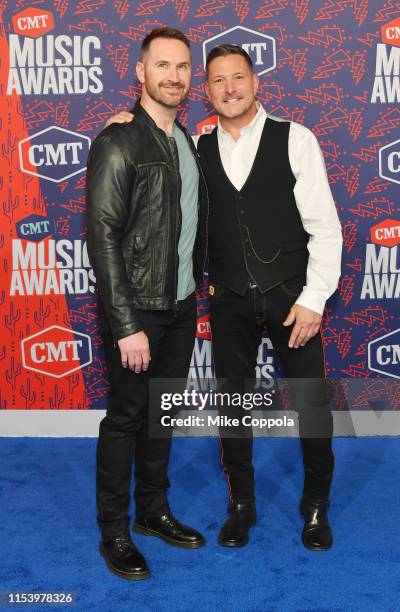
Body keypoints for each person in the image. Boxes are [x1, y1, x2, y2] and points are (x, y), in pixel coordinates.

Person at [104, 44, 343, 552]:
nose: (229, 88)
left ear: (256, 83)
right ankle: (242, 507)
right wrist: (123, 124)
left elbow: (326, 227)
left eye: (238, 78)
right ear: (205, 90)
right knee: (233, 411)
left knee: (312, 408)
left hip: (292, 300)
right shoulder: (196, 146)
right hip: (228, 301)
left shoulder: (296, 139)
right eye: (217, 80)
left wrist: (315, 297)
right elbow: (150, 146)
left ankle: (316, 506)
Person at [86, 27, 208, 581]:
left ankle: (153, 511)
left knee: (162, 416)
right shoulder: (119, 140)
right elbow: (103, 235)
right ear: (140, 73)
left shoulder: (184, 139)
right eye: (162, 66)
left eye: (182, 67)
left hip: (181, 307)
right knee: (126, 419)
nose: (174, 77)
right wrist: (126, 324)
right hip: (137, 312)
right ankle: (114, 531)